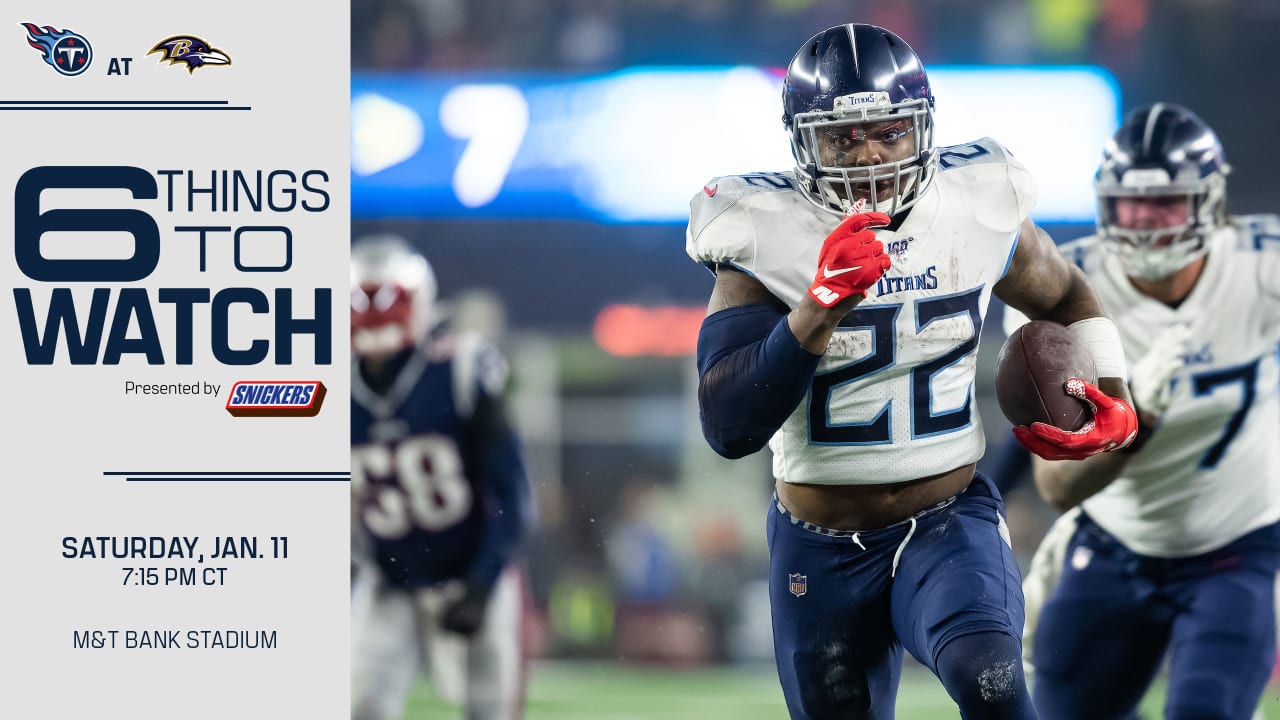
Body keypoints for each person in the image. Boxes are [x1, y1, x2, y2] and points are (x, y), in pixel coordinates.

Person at [686, 22, 1137, 720]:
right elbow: (728, 425)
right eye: (842, 138)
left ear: (923, 130)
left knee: (991, 683)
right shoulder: (762, 227)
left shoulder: (976, 202)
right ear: (803, 142)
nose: (868, 156)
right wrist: (818, 307)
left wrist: (1112, 389)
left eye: (889, 131)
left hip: (946, 520)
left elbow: (1066, 293)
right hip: (818, 544)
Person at [1011, 103, 1280, 720]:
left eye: (1165, 204)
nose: (1144, 223)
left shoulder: (1261, 265)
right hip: (1114, 541)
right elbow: (1056, 485)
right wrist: (1140, 413)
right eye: (1130, 206)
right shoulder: (1066, 284)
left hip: (1233, 547)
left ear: (1210, 201)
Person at [349, 234, 532, 720]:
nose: (371, 317)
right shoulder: (327, 389)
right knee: (360, 706)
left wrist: (482, 582)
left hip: (469, 571)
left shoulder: (461, 369)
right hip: (390, 577)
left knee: (489, 711)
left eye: (384, 300)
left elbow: (512, 491)